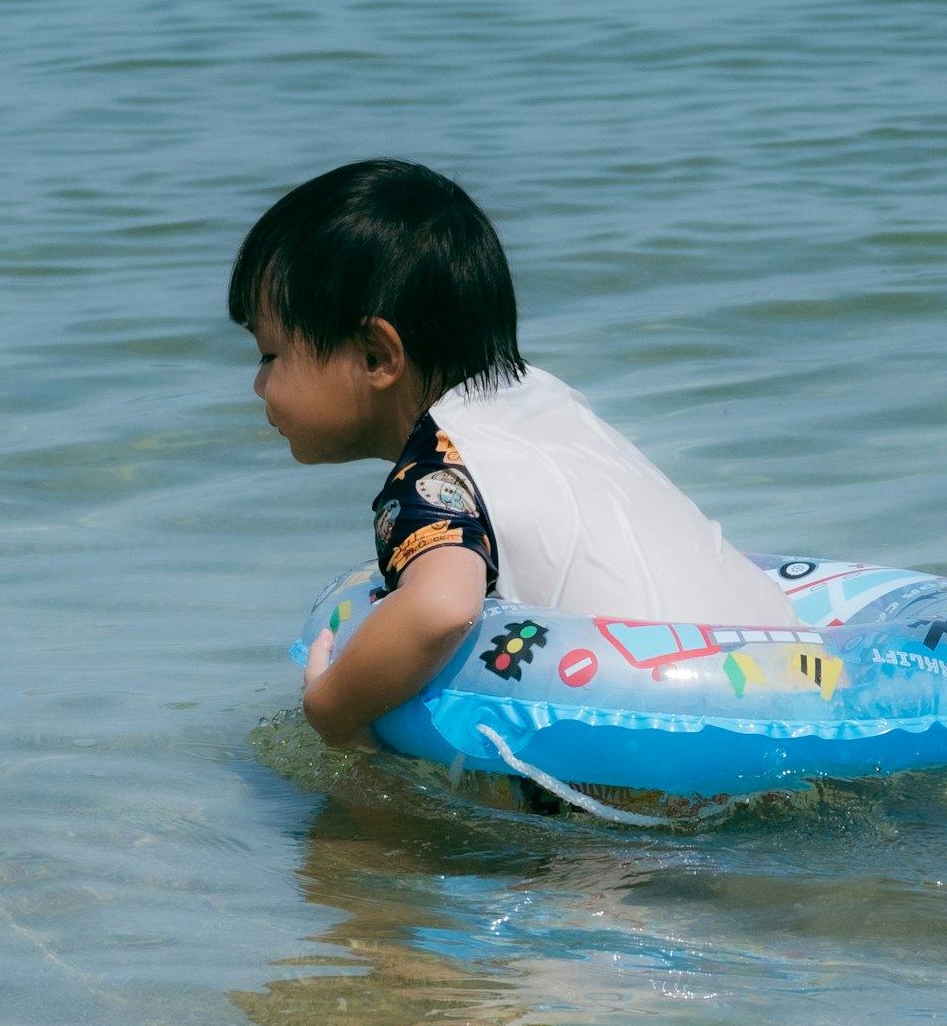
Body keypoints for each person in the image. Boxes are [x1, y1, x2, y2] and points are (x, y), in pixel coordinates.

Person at [230, 160, 792, 752]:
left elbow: (441, 610)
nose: (258, 385)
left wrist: (332, 712)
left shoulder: (432, 474)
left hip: (670, 733)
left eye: (270, 355)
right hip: (779, 685)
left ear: (376, 357)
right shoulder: (547, 402)